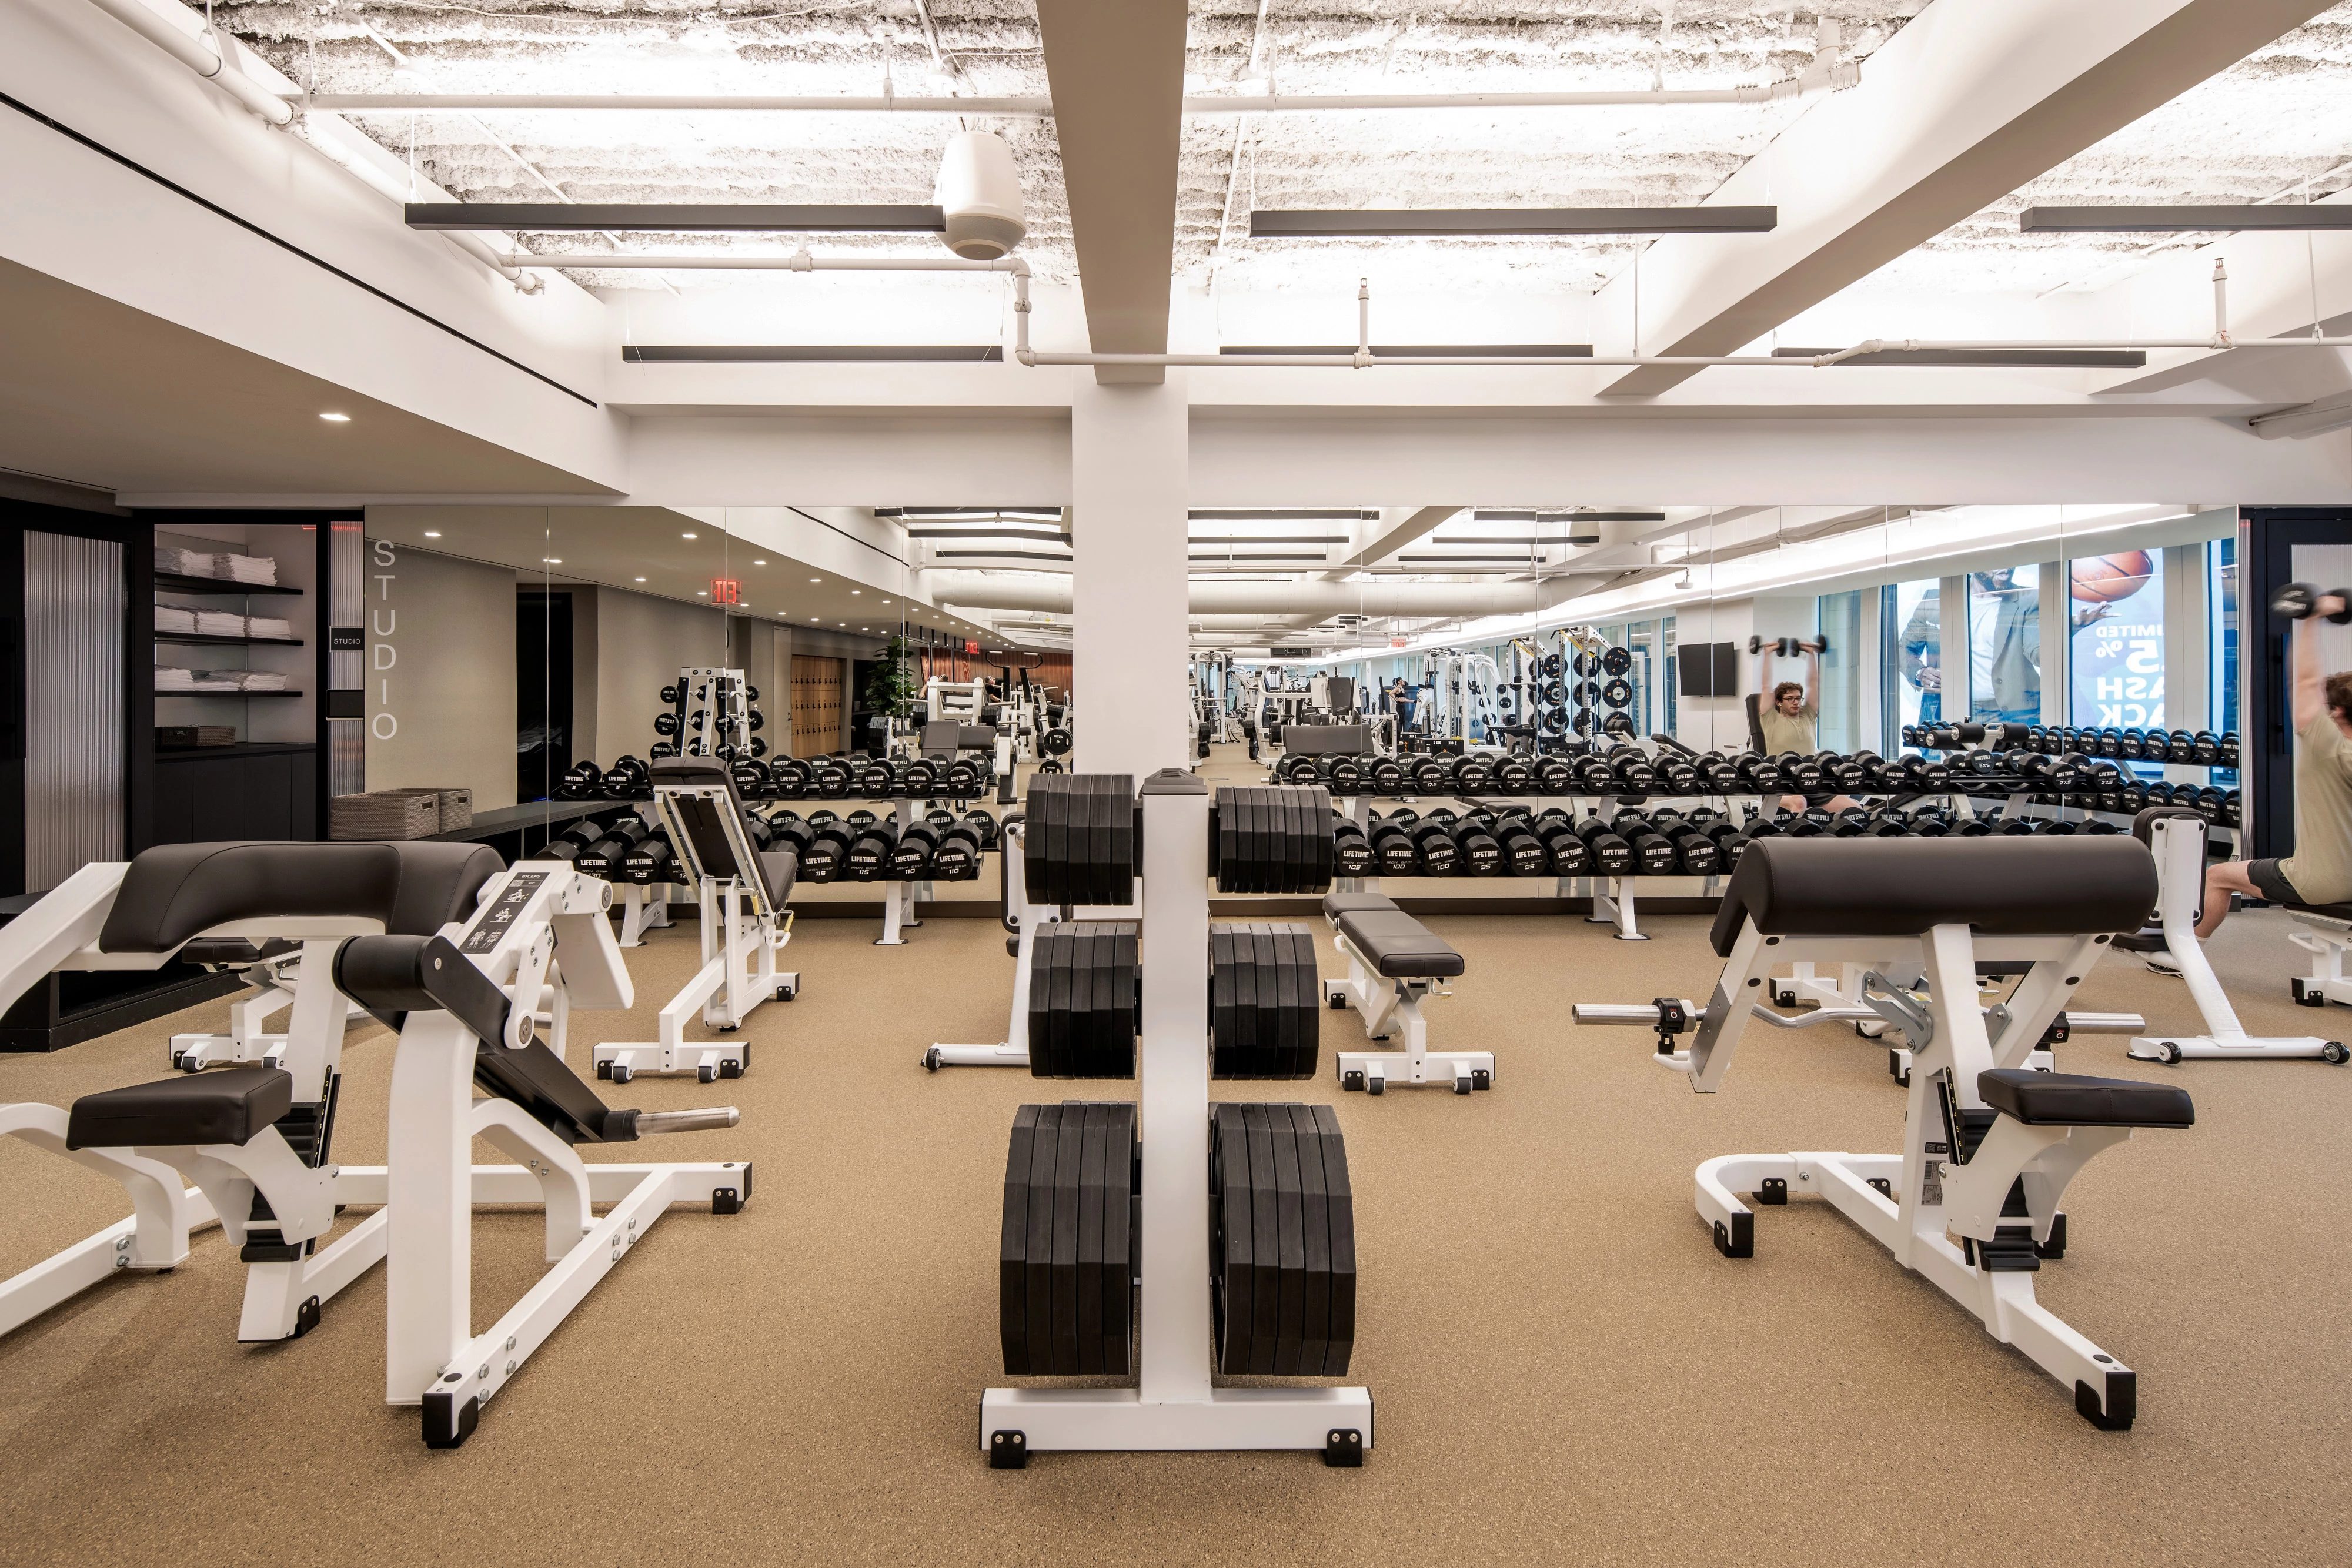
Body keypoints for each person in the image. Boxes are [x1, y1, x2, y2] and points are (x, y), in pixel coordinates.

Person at [2161, 592, 2352, 956]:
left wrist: (2312, 617)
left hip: (2321, 882)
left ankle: (2184, 956)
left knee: (2217, 877)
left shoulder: (2327, 745)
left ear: (2339, 712)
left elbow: (2306, 682)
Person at [1756, 642, 1859, 816]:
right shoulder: (1770, 717)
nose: (1796, 702)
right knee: (1799, 802)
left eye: (1798, 698)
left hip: (1810, 779)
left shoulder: (1808, 715)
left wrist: (1811, 653)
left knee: (1853, 807)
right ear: (1779, 702)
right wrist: (1767, 654)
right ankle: (1797, 841)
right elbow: (1766, 687)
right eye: (1790, 699)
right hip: (1780, 781)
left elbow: (1813, 684)